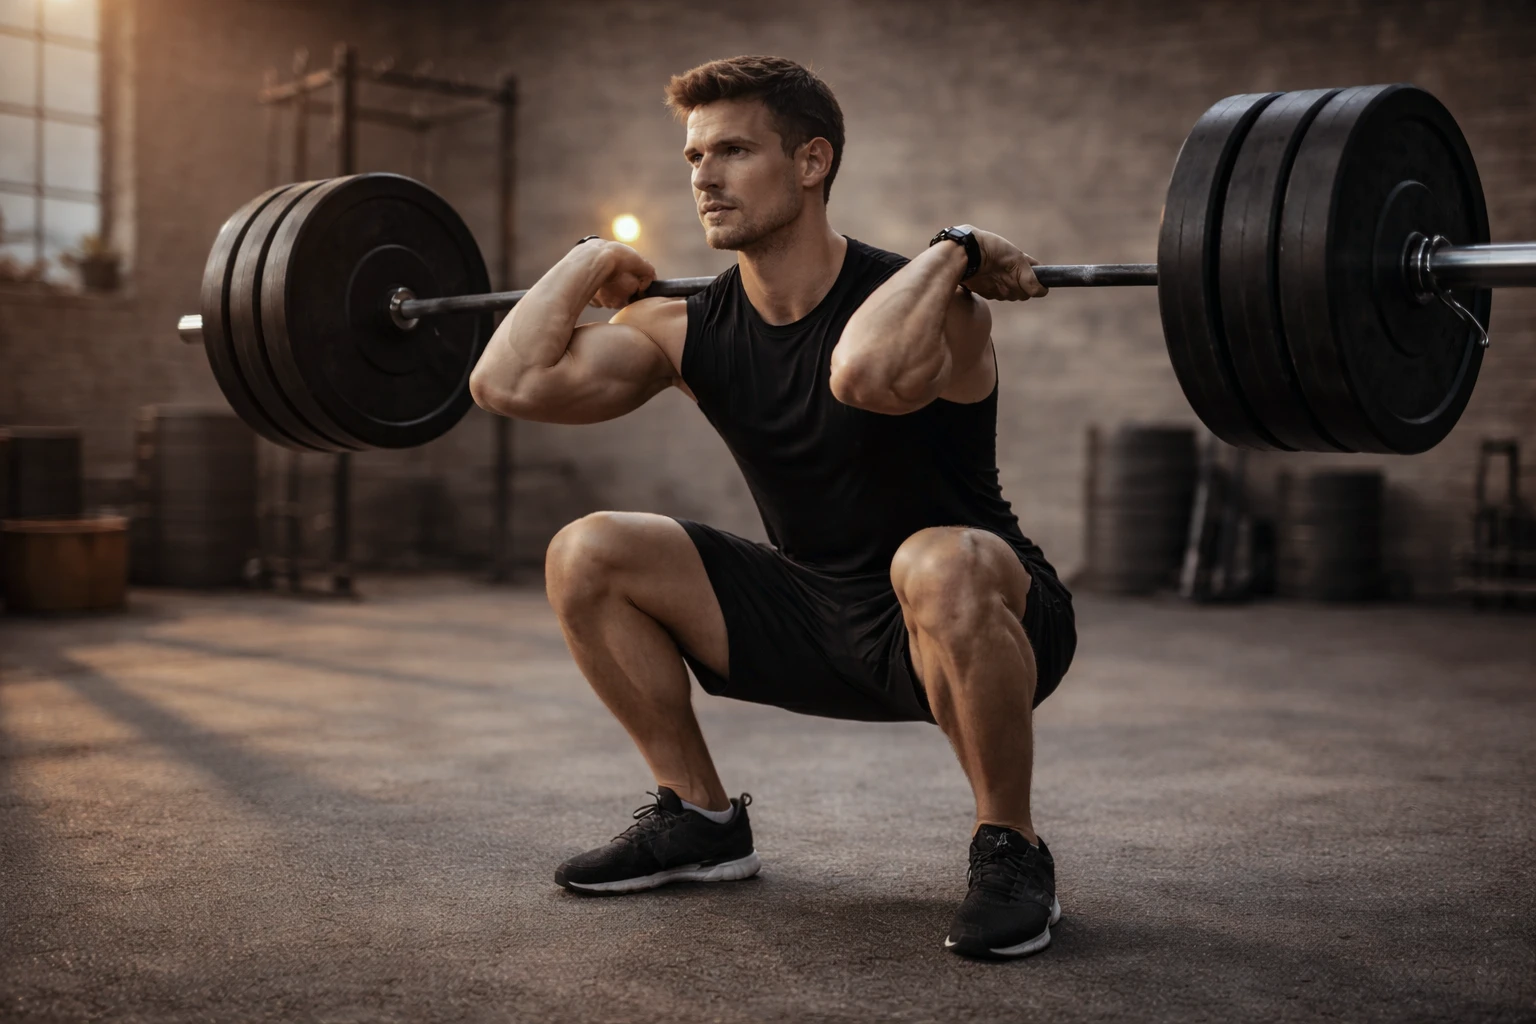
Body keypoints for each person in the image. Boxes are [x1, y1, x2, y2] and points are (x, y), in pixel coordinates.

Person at [469, 54, 1076, 961]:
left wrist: (956, 248)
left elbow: (866, 376)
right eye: (693, 157)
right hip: (811, 611)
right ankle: (703, 821)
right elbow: (504, 382)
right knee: (586, 550)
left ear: (811, 162)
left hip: (979, 613)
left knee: (936, 559)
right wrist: (586, 258)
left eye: (733, 150)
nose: (704, 177)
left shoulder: (932, 305)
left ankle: (1011, 848)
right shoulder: (690, 325)